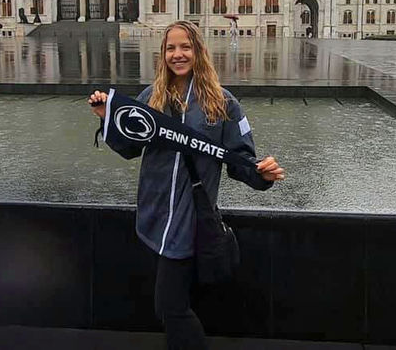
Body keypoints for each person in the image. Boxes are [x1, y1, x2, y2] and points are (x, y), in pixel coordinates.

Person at [89, 20, 284, 350]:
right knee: (169, 305)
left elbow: (241, 161)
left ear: (199, 51)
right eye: (170, 48)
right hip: (154, 211)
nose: (177, 54)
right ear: (162, 54)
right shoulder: (151, 97)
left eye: (185, 47)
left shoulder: (224, 103)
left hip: (189, 219)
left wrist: (261, 175)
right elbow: (130, 147)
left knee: (170, 307)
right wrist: (106, 117)